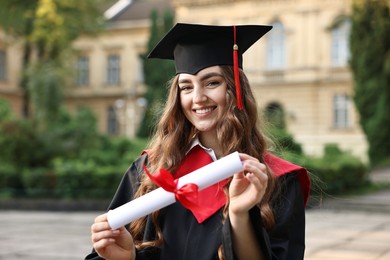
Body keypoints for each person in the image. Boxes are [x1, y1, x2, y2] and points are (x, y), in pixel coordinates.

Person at [85, 23, 310, 260]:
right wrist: (126, 257)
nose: (198, 98)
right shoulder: (149, 170)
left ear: (236, 89)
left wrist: (240, 215)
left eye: (212, 82)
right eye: (186, 87)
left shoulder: (278, 179)